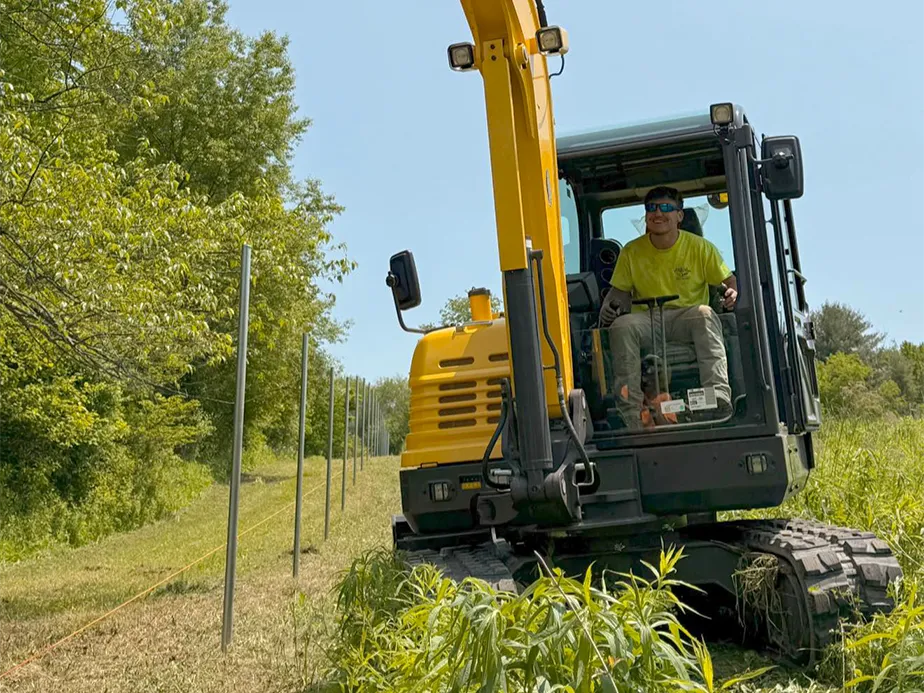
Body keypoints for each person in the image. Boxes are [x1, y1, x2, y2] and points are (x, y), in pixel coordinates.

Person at [598, 186, 737, 429]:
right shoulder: (631, 252)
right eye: (651, 208)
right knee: (621, 326)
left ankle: (717, 398)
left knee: (704, 314)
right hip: (648, 320)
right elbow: (617, 293)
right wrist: (610, 309)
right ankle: (631, 412)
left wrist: (732, 292)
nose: (657, 214)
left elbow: (728, 281)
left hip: (687, 316)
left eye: (665, 208)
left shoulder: (701, 248)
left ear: (679, 216)